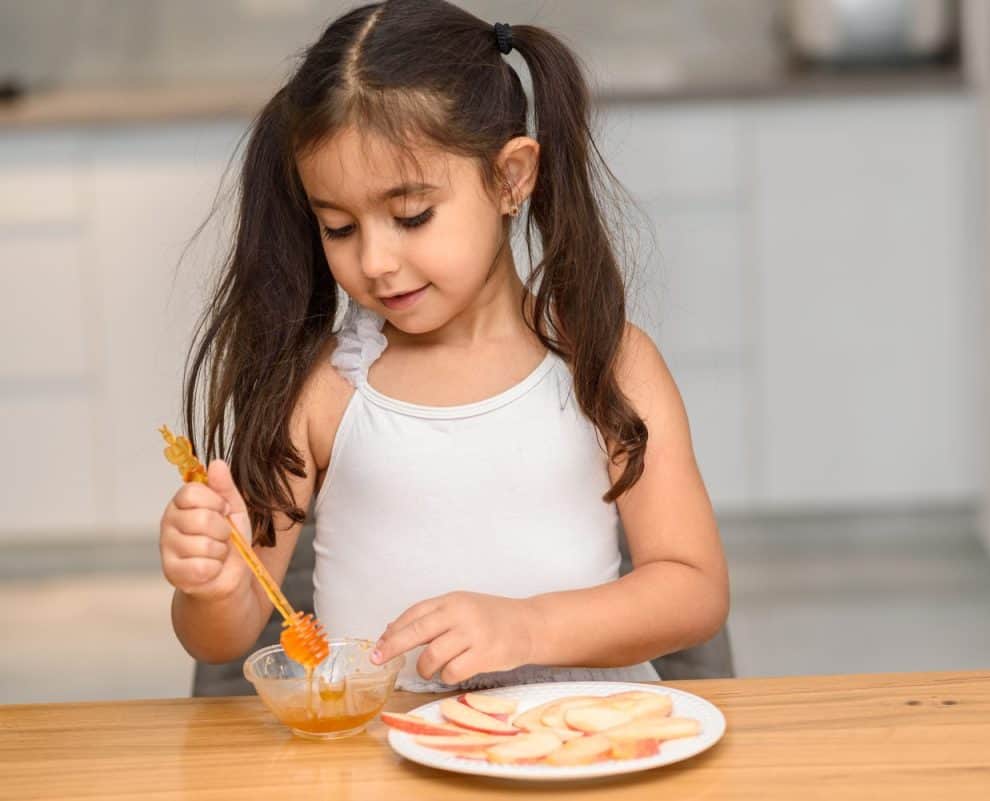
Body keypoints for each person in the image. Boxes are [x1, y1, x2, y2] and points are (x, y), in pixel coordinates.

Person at [159, 0, 729, 692]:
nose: (375, 260)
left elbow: (694, 590)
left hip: (576, 749)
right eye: (339, 227)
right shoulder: (327, 386)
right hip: (377, 765)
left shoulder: (608, 365)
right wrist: (212, 585)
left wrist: (528, 627)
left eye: (411, 216)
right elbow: (226, 633)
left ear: (511, 177)